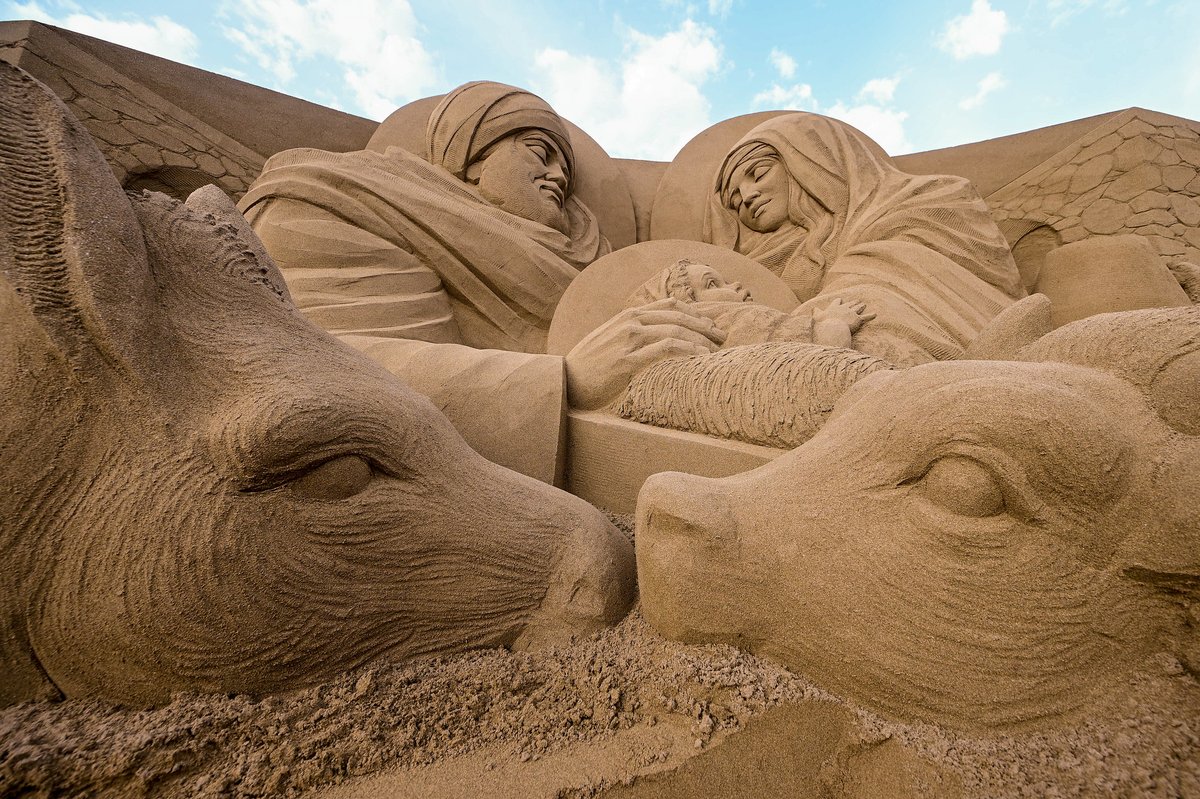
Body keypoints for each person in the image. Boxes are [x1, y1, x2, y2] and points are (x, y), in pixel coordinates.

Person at [240, 81, 610, 353]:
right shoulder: (339, 196)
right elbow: (332, 361)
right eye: (540, 152)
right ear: (474, 157)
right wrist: (567, 380)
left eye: (565, 170)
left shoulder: (580, 261)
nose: (559, 177)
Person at [705, 113, 1025, 366]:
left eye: (759, 174)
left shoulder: (935, 197)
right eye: (735, 200)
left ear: (811, 160)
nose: (747, 196)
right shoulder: (765, 275)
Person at [625, 258, 873, 350]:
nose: (736, 285)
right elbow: (828, 348)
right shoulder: (747, 320)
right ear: (689, 307)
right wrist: (837, 322)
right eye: (712, 284)